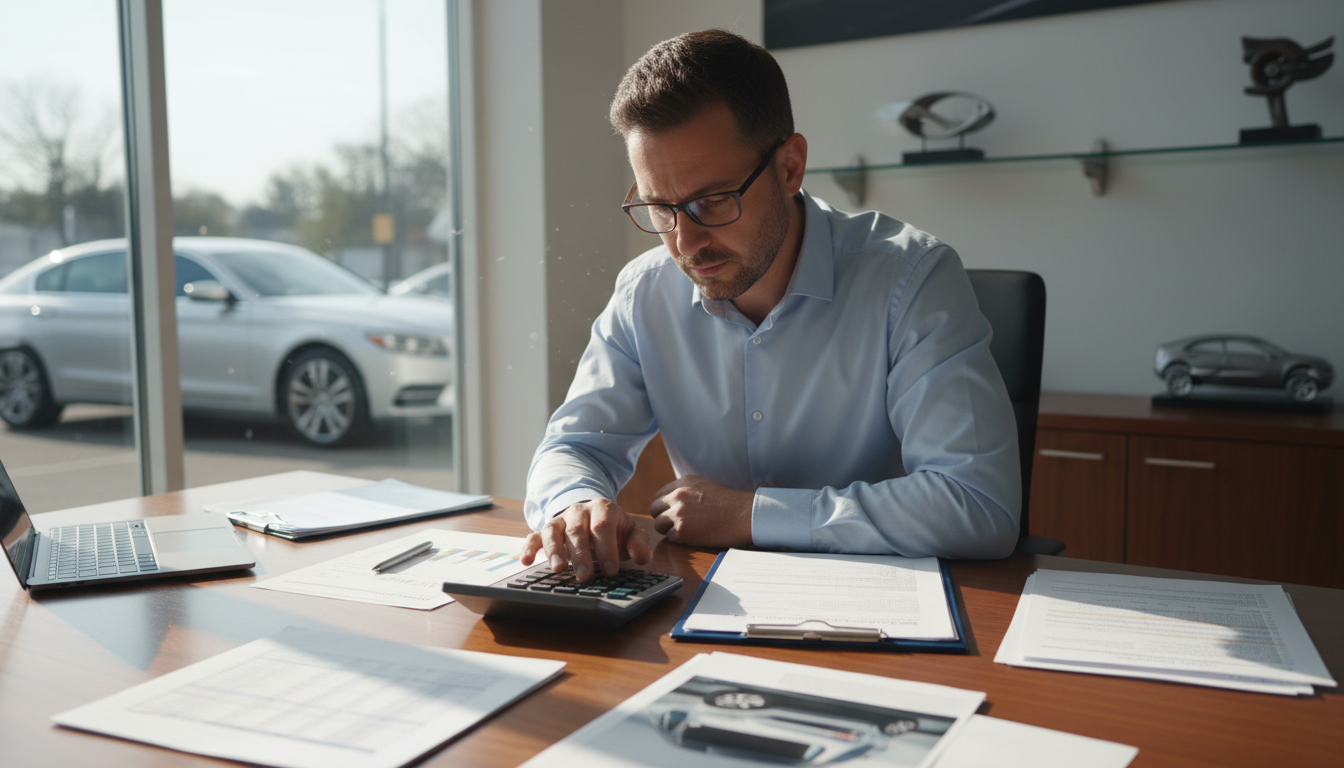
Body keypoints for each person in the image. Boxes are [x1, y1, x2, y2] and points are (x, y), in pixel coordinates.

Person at [520, 29, 1020, 582]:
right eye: (660, 208)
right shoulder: (645, 292)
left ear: (789, 167)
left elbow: (978, 504)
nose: (684, 244)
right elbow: (574, 446)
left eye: (712, 201)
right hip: (711, 604)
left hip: (883, 602)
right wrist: (574, 503)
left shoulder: (913, 277)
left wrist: (752, 515)